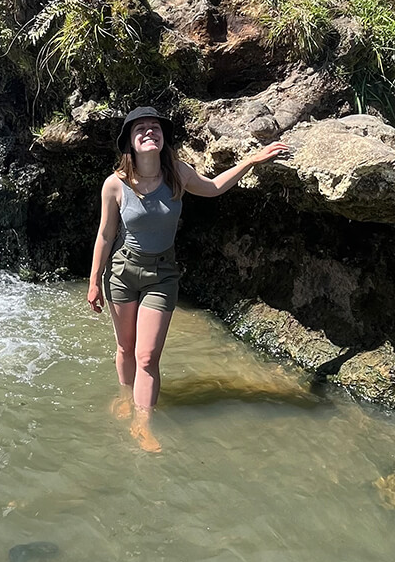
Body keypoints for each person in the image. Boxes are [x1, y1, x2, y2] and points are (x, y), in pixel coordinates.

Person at [87, 106, 288, 452]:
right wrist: (94, 282)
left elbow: (212, 188)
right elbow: (105, 235)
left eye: (155, 128)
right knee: (125, 348)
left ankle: (142, 424)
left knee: (147, 356)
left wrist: (251, 161)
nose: (149, 132)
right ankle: (125, 396)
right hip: (122, 272)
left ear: (163, 138)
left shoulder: (178, 173)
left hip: (163, 274)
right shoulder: (115, 185)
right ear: (130, 143)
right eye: (141, 129)